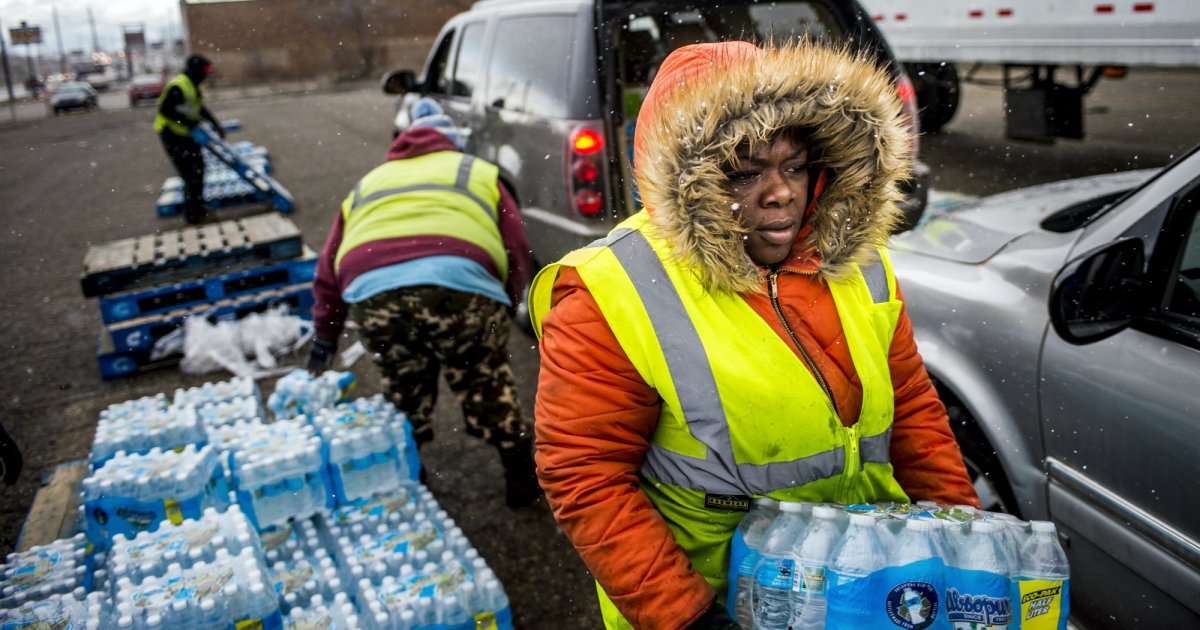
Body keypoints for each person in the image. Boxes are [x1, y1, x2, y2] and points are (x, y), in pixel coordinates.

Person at [529, 41, 981, 629]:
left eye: (794, 167)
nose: (781, 192)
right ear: (684, 182)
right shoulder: (612, 291)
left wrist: (966, 541)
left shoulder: (856, 262)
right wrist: (687, 617)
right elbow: (586, 476)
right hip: (728, 602)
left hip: (870, 590)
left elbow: (914, 412)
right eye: (745, 174)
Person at [308, 99, 539, 507]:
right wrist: (503, 304)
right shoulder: (478, 172)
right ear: (451, 140)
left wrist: (325, 336)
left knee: (403, 385)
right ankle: (519, 474)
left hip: (372, 290)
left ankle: (409, 476)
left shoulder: (368, 183)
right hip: (461, 286)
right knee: (484, 379)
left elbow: (327, 269)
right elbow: (517, 248)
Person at [155, 54, 224, 224]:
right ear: (196, 71)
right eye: (204, 72)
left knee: (199, 169)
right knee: (190, 174)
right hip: (172, 135)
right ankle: (193, 215)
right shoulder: (178, 86)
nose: (205, 77)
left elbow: (199, 108)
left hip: (185, 135)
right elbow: (166, 110)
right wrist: (189, 124)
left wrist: (215, 123)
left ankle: (199, 208)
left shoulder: (193, 86)